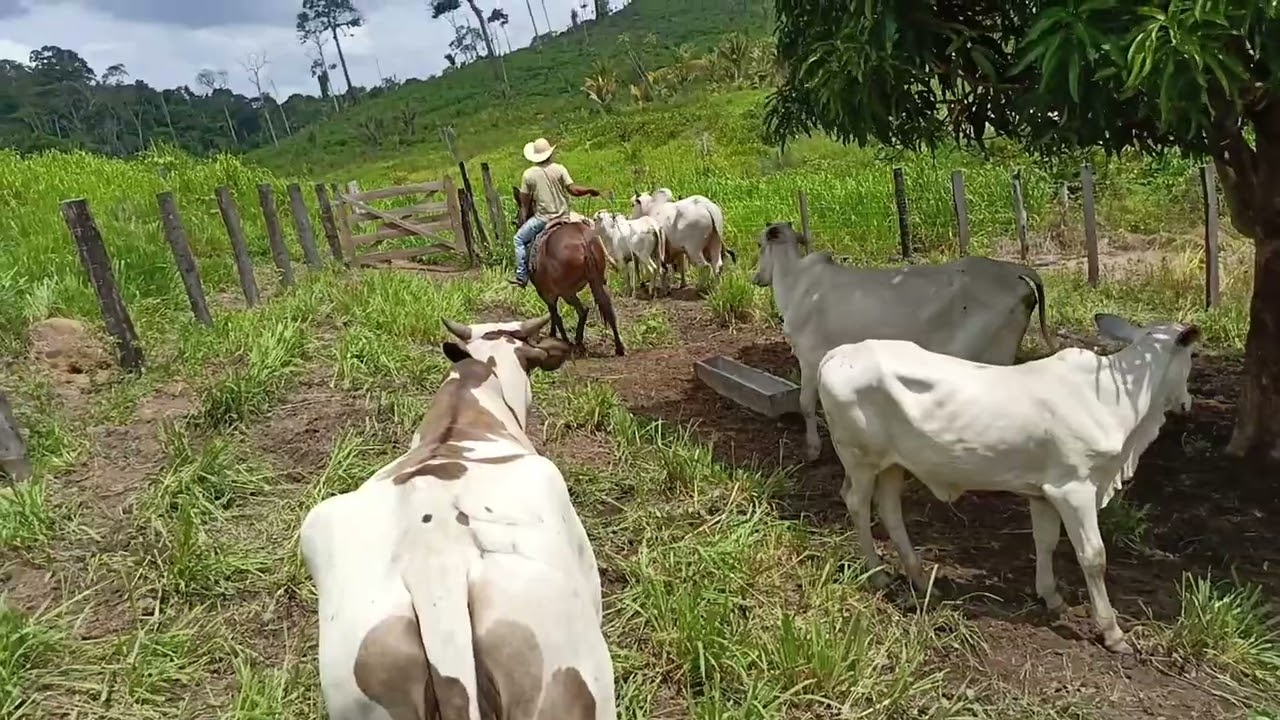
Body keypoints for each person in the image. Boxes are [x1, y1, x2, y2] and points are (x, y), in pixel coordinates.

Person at [510, 137, 601, 287]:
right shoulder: (560, 169)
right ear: (550, 153)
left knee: (518, 239)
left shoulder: (529, 175)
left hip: (543, 219)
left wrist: (523, 220)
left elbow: (524, 205)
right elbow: (573, 190)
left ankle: (521, 276)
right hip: (565, 216)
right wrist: (589, 190)